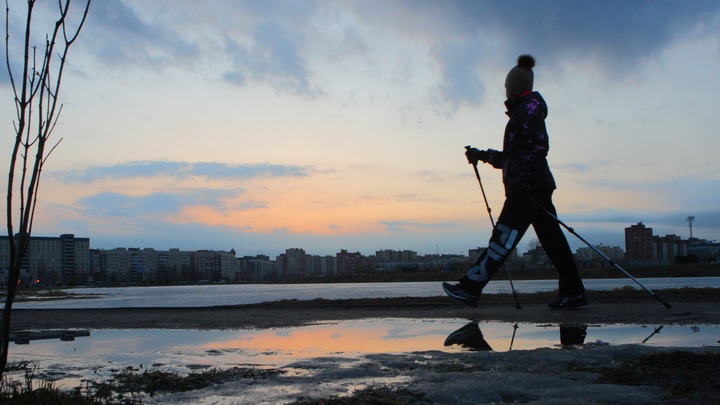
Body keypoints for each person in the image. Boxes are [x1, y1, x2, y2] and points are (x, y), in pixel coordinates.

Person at [443, 54, 587, 309]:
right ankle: (574, 292)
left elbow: (538, 148)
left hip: (527, 190)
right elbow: (512, 158)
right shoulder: (522, 112)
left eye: (507, 87)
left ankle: (469, 288)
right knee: (553, 243)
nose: (506, 91)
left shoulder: (529, 111)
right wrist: (482, 155)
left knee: (502, 239)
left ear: (515, 88)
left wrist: (522, 180)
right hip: (532, 187)